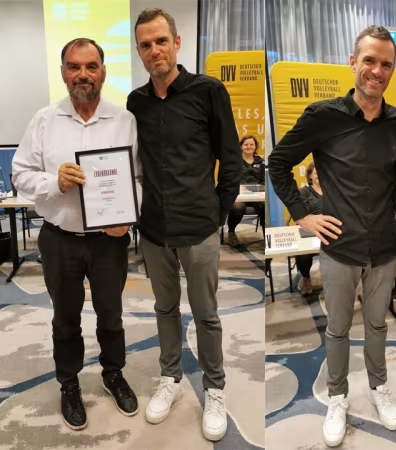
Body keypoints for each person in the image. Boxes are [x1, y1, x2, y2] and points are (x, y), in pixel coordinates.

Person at [268, 25, 396, 447]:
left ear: (392, 69)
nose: (377, 71)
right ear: (352, 62)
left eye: (385, 64)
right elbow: (278, 164)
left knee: (378, 325)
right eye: (369, 60)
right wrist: (303, 216)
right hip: (339, 247)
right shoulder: (322, 116)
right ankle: (338, 397)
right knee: (339, 329)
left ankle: (379, 388)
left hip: (385, 245)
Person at [127, 8, 242, 441]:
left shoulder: (208, 91)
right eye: (145, 44)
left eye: (160, 41)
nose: (154, 50)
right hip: (153, 228)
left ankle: (215, 388)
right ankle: (170, 377)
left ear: (177, 43)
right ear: (139, 52)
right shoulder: (135, 102)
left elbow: (231, 161)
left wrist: (216, 216)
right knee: (164, 309)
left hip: (199, 228)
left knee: (207, 315)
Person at [12, 38, 138, 430]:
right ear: (64, 72)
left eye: (91, 66)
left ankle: (113, 373)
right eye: (73, 66)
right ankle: (68, 384)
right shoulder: (44, 120)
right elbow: (19, 175)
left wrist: (128, 217)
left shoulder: (124, 119)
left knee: (111, 316)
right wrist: (55, 181)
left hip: (109, 241)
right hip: (60, 238)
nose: (82, 74)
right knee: (64, 319)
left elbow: (137, 179)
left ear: (103, 70)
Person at [226, 135, 266, 246]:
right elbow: (230, 179)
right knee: (238, 207)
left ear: (255, 147)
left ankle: (266, 237)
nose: (249, 147)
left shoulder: (261, 162)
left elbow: (264, 181)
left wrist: (260, 190)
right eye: (246, 144)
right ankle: (231, 232)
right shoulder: (235, 161)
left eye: (251, 144)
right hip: (239, 196)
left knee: (265, 206)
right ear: (241, 147)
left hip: (257, 195)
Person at [295, 161, 322, 295]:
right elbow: (303, 214)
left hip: (330, 228)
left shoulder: (333, 191)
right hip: (309, 229)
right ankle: (305, 277)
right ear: (310, 175)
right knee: (304, 253)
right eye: (317, 173)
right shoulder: (304, 192)